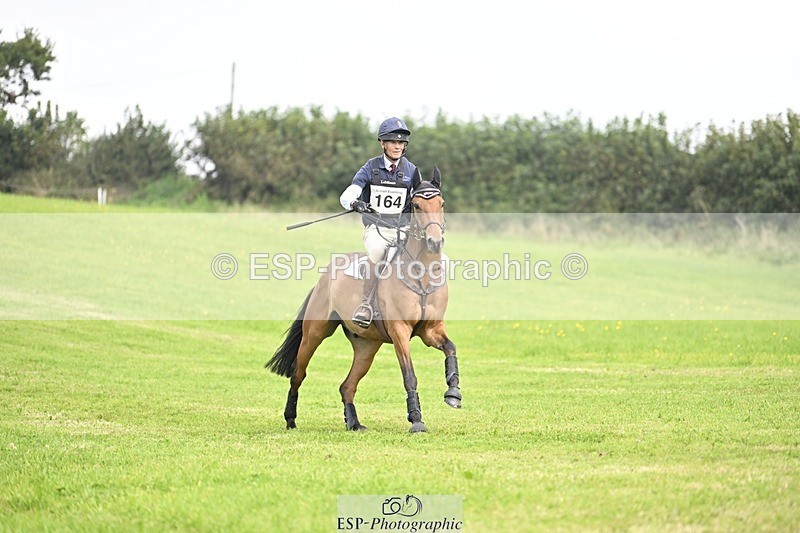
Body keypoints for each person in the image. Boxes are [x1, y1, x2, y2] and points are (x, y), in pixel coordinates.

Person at [339, 117, 418, 328]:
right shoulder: (370, 168)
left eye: (401, 143)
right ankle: (366, 304)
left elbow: (418, 198)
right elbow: (348, 195)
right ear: (383, 143)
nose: (397, 146)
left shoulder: (411, 171)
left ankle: (427, 305)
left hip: (404, 228)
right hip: (377, 229)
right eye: (393, 142)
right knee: (377, 252)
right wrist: (355, 203)